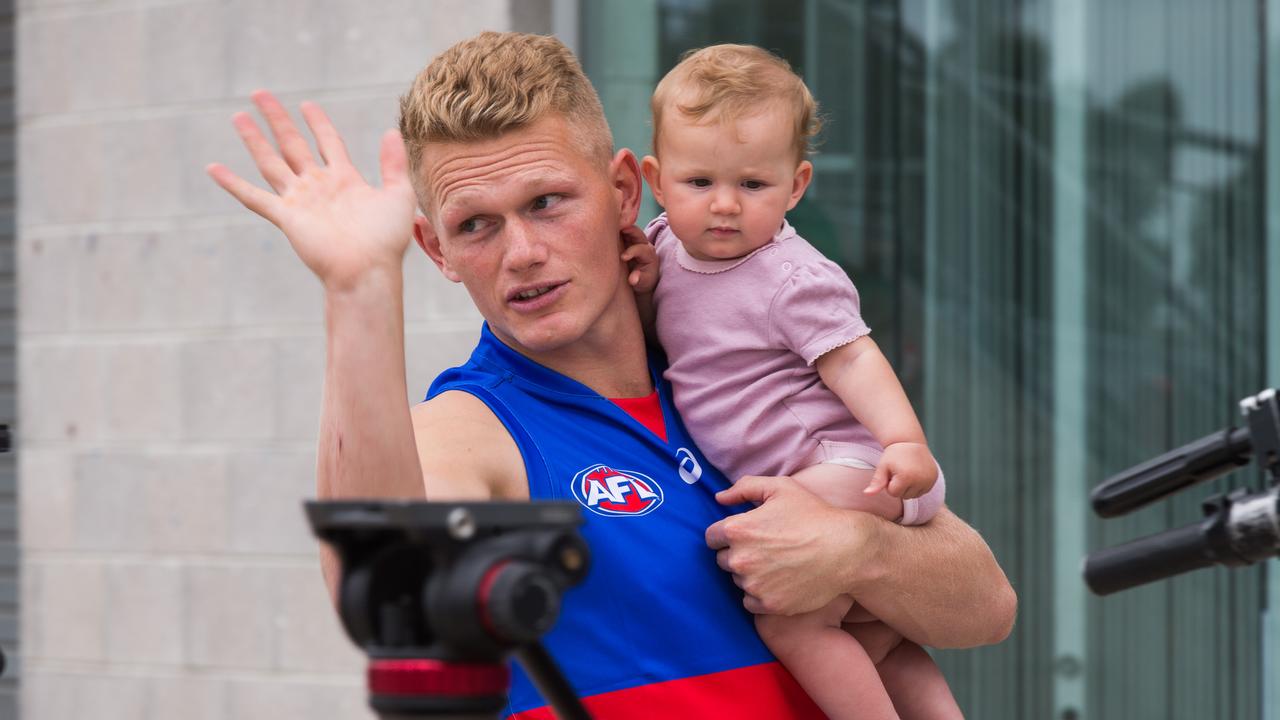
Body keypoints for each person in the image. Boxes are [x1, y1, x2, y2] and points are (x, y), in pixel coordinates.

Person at [206, 30, 1015, 719]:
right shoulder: (475, 427)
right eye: (476, 225)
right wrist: (358, 294)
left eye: (549, 202)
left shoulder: (729, 362)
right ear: (436, 250)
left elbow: (988, 606)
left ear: (626, 191)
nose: (521, 253)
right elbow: (388, 590)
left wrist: (851, 551)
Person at [625, 44, 959, 719]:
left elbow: (853, 359)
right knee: (880, 644)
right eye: (699, 183)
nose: (724, 206)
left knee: (789, 621)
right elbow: (665, 338)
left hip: (847, 466)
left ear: (797, 185)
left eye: (753, 185)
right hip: (813, 475)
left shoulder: (792, 277)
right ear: (658, 180)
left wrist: (903, 441)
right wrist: (636, 284)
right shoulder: (663, 247)